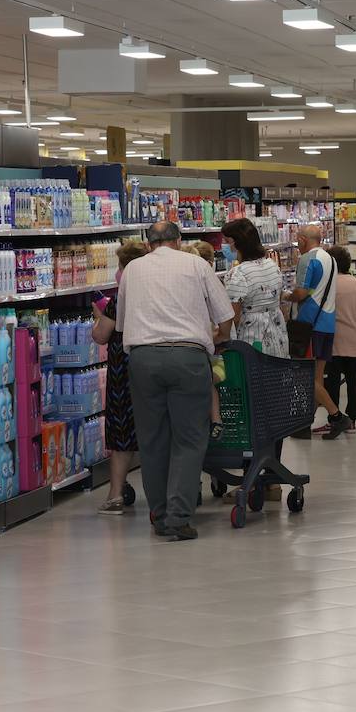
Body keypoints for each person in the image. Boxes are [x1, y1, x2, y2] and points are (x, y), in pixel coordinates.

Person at [116, 221, 234, 541]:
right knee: (190, 438)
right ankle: (179, 518)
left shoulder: (133, 270)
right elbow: (225, 315)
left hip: (143, 360)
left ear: (148, 242)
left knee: (153, 440)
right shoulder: (196, 264)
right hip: (188, 358)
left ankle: (159, 514)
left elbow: (122, 320)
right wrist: (220, 337)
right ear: (179, 241)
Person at [92, 241, 148, 516]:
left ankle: (115, 495)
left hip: (123, 371)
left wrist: (99, 317)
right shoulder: (157, 291)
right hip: (153, 364)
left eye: (120, 266)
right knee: (156, 428)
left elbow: (101, 335)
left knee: (122, 431)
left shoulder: (120, 298)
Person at [286, 225, 351, 438]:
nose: (296, 243)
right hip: (326, 323)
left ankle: (336, 416)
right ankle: (306, 423)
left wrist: (285, 296)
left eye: (297, 239)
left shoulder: (308, 259)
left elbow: (302, 292)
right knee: (316, 377)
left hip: (309, 323)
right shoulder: (330, 258)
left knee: (306, 376)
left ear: (304, 239)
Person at [220, 218, 288, 358]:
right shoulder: (272, 265)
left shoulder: (237, 274)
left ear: (236, 242)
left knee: (253, 377)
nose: (224, 246)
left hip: (252, 339)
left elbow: (234, 317)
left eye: (226, 241)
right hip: (278, 335)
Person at [323, 246, 356, 436]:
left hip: (333, 340)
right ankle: (353, 418)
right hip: (352, 338)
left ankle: (336, 418)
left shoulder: (327, 284)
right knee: (352, 382)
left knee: (332, 382)